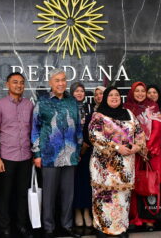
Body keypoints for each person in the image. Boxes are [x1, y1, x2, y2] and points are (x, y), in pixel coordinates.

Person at [89, 87, 147, 238]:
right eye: (110, 95)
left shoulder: (129, 114)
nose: (114, 97)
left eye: (116, 95)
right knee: (104, 196)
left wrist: (137, 146)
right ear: (105, 98)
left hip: (125, 164)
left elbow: (140, 133)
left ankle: (121, 228)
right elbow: (95, 137)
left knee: (123, 197)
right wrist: (116, 147)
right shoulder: (98, 116)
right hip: (104, 166)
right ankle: (103, 228)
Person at [31, 69, 82, 238]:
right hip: (49, 155)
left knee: (68, 195)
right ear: (51, 83)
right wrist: (37, 153)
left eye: (63, 80)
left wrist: (79, 148)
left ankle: (67, 226)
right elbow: (35, 130)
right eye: (57, 80)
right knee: (49, 194)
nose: (61, 83)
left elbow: (78, 128)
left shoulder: (72, 102)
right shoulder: (42, 102)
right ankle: (48, 228)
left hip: (70, 155)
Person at [0, 72, 34, 238]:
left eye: (22, 82)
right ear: (7, 84)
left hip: (25, 156)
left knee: (22, 193)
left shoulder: (29, 105)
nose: (19, 85)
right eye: (15, 82)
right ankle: (4, 226)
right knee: (5, 194)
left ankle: (21, 225)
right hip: (6, 157)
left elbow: (33, 130)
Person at [124, 81, 161, 230]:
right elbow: (123, 130)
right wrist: (136, 147)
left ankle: (150, 219)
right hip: (133, 153)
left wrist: (148, 148)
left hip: (150, 153)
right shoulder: (126, 108)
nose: (140, 94)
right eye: (137, 91)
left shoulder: (152, 106)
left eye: (143, 91)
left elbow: (157, 128)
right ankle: (134, 218)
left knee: (149, 184)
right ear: (132, 93)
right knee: (133, 185)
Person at [71, 82, 94, 228]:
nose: (79, 93)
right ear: (72, 92)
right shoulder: (68, 107)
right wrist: (77, 149)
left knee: (87, 182)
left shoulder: (90, 108)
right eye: (76, 91)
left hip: (88, 151)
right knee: (74, 183)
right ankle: (76, 211)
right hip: (72, 152)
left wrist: (86, 146)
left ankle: (87, 211)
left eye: (82, 91)